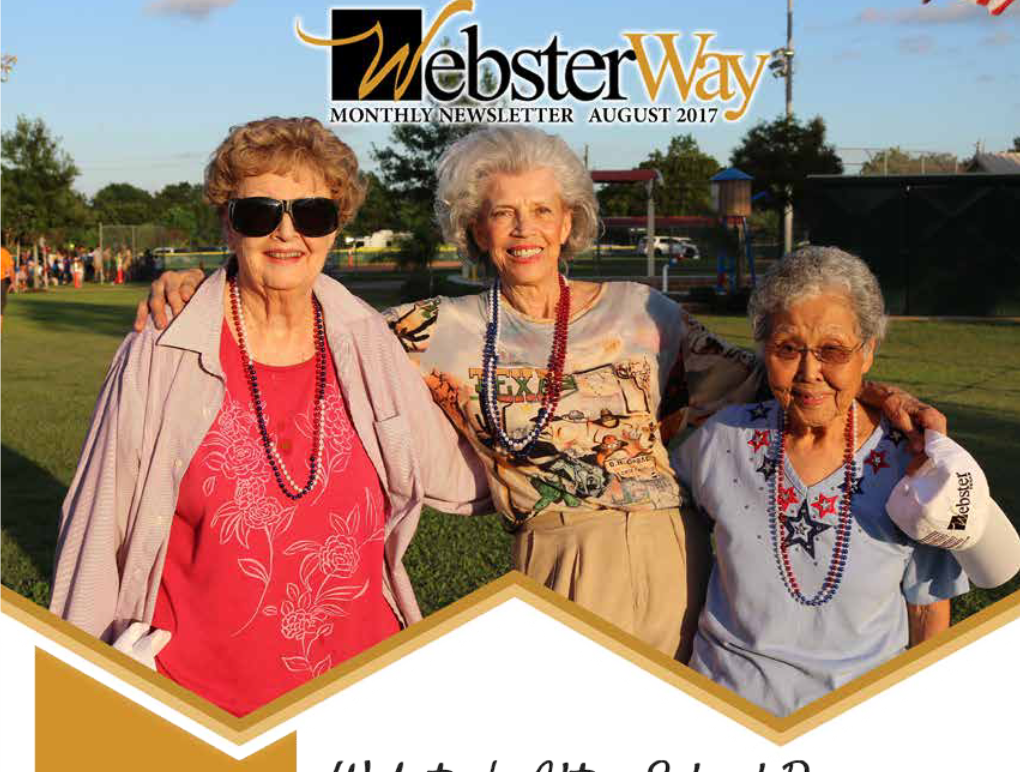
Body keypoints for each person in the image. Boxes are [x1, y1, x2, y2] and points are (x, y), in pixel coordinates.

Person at [140, 127, 940, 662]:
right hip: (554, 551)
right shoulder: (429, 326)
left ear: (570, 223)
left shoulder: (646, 314)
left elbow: (786, 375)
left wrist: (883, 392)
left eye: (542, 211)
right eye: (501, 214)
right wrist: (201, 283)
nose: (523, 229)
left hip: (673, 554)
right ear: (475, 229)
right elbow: (301, 319)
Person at [51, 116, 488, 716]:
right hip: (198, 705)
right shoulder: (162, 349)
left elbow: (463, 473)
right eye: (260, 213)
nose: (287, 233)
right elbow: (95, 530)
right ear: (228, 224)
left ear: (336, 227)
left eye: (312, 213)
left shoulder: (371, 345)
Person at [675, 246, 1019, 717]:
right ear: (763, 349)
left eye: (833, 351)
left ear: (868, 352)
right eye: (787, 348)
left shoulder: (911, 462)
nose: (809, 372)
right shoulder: (722, 440)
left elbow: (927, 610)